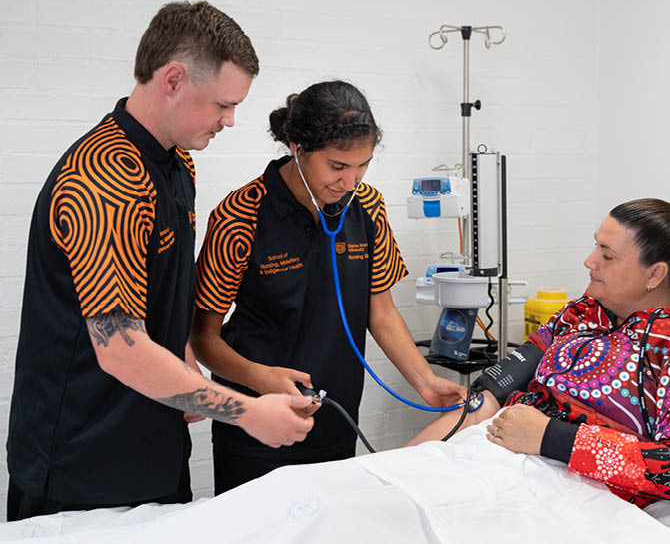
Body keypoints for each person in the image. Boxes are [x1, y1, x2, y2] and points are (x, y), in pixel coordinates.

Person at [6, 1, 315, 522]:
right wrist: (246, 413)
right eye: (223, 104)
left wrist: (186, 370)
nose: (231, 120)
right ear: (173, 78)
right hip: (81, 462)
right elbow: (120, 348)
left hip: (154, 445)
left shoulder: (177, 164)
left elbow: (159, 292)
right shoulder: (104, 177)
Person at [191, 80, 466, 494]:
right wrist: (259, 377)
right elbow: (202, 336)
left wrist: (424, 381)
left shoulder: (367, 206)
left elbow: (382, 311)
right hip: (257, 426)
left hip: (335, 421)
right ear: (297, 149)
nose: (350, 181)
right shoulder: (240, 215)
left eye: (363, 165)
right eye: (338, 166)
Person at [408, 199, 670, 507]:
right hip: (490, 455)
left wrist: (550, 438)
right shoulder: (582, 312)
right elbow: (493, 394)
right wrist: (407, 461)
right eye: (596, 244)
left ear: (655, 274)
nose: (589, 261)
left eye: (607, 256)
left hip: (571, 492)